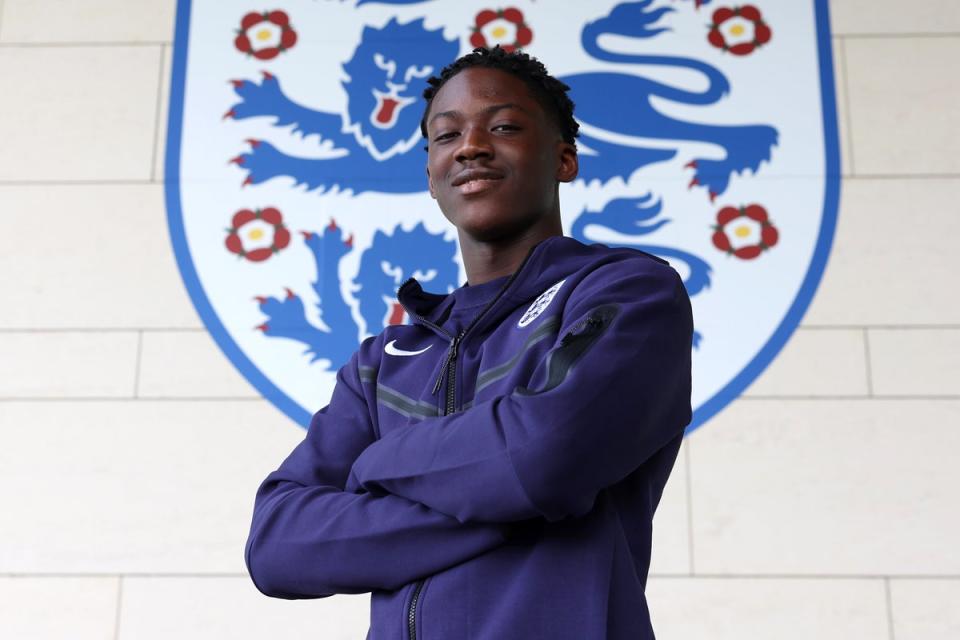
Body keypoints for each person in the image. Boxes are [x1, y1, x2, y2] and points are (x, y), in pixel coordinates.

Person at [245, 46, 693, 640]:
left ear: (564, 158)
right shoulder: (383, 362)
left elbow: (544, 456)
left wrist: (376, 463)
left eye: (504, 126)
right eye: (445, 135)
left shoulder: (627, 292)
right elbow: (279, 545)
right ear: (431, 175)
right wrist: (512, 503)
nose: (470, 145)